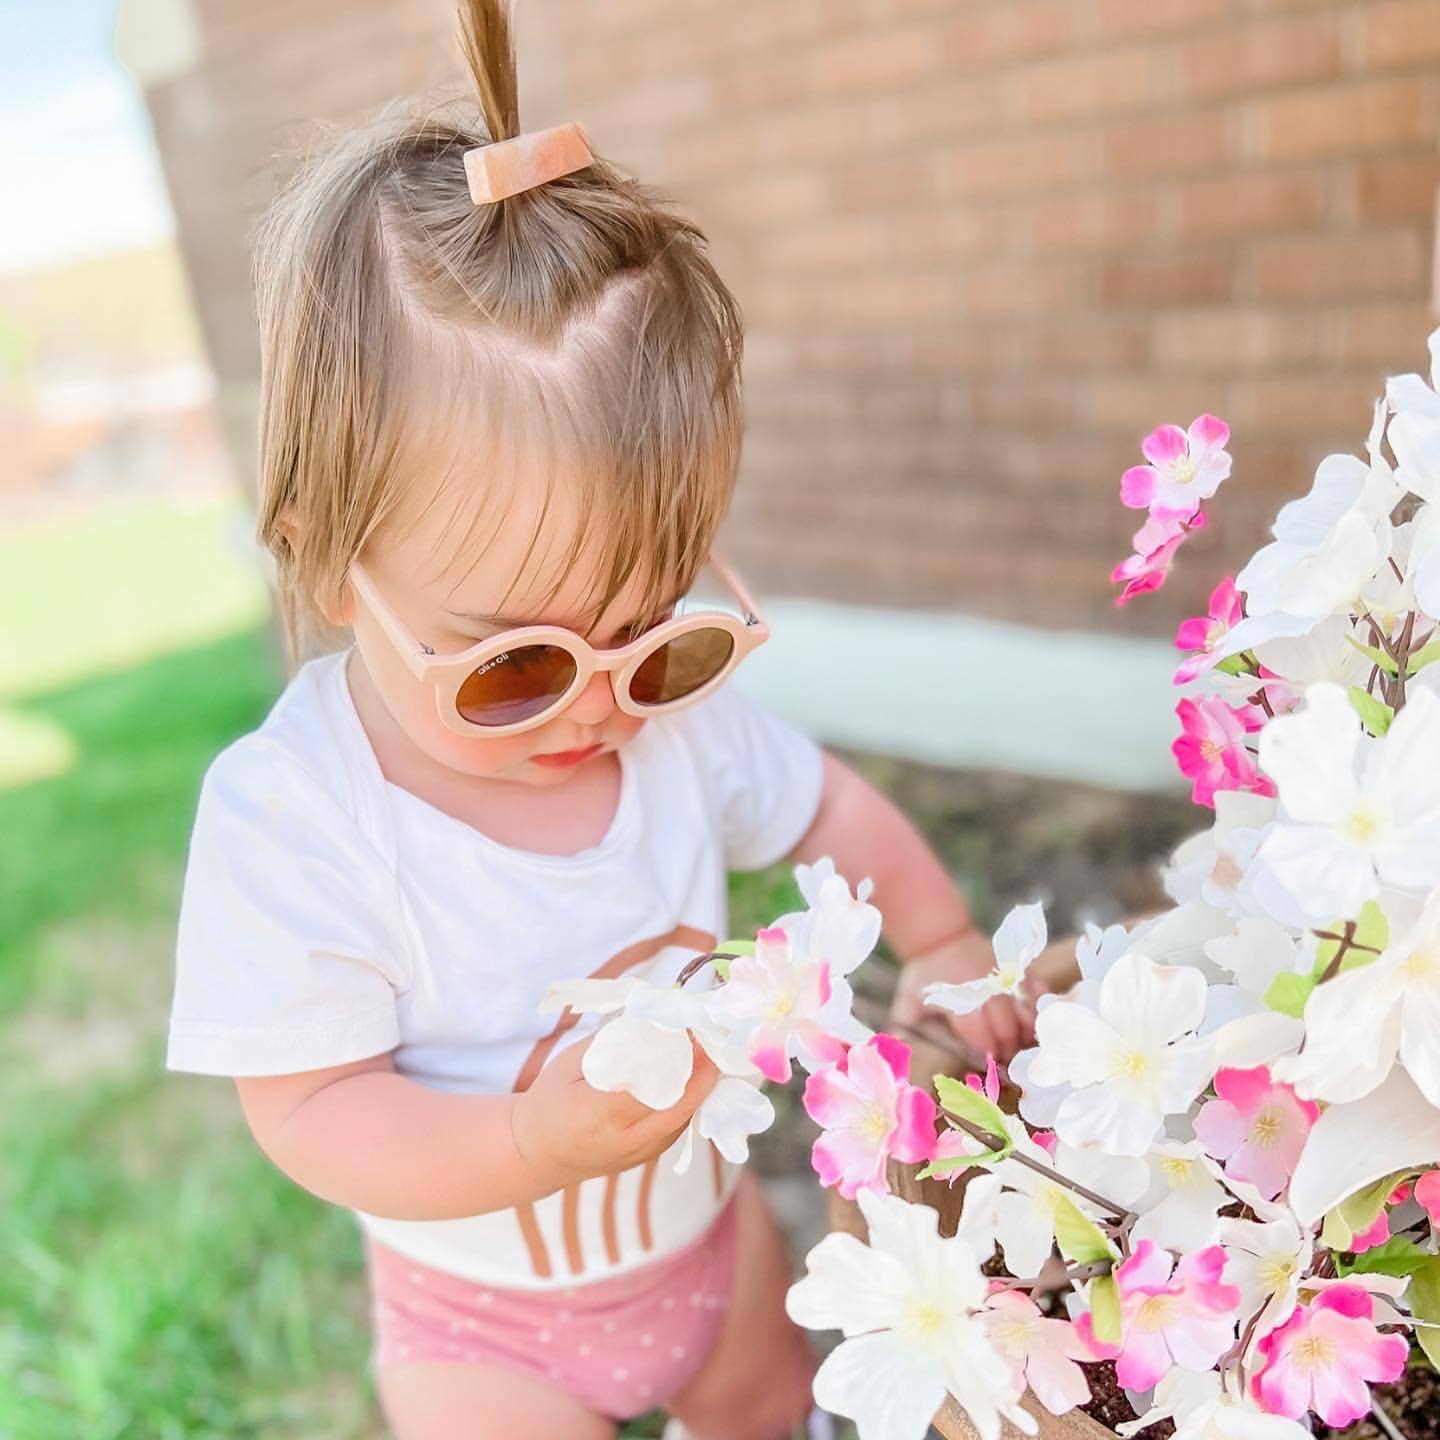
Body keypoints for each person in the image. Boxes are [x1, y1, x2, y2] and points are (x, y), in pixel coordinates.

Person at [165, 3, 1033, 1435]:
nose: (599, 707)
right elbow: (310, 1112)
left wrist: (941, 945)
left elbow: (830, 812)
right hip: (481, 1334)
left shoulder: (675, 737)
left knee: (772, 1411)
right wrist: (526, 1138)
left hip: (710, 1254)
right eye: (513, 665)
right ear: (325, 563)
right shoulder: (301, 815)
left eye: (656, 638)